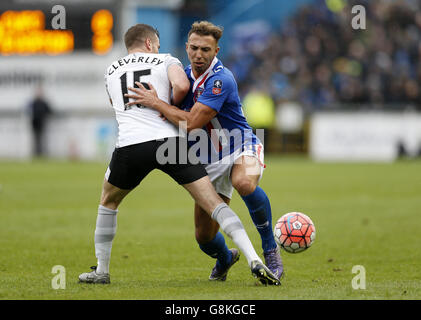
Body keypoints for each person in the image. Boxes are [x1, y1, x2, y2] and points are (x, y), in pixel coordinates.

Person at [78, 23, 280, 286]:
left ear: (216, 50)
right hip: (209, 158)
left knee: (243, 182)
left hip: (241, 146)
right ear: (186, 47)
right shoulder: (181, 76)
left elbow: (192, 122)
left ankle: (270, 251)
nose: (199, 54)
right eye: (194, 48)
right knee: (204, 237)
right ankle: (224, 258)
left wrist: (156, 103)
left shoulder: (222, 78)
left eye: (205, 49)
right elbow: (171, 112)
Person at [28, 86, 52, 157]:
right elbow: (28, 110)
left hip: (42, 123)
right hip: (34, 123)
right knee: (35, 139)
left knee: (42, 139)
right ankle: (35, 154)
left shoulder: (43, 102)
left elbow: (49, 111)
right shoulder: (33, 102)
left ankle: (42, 154)